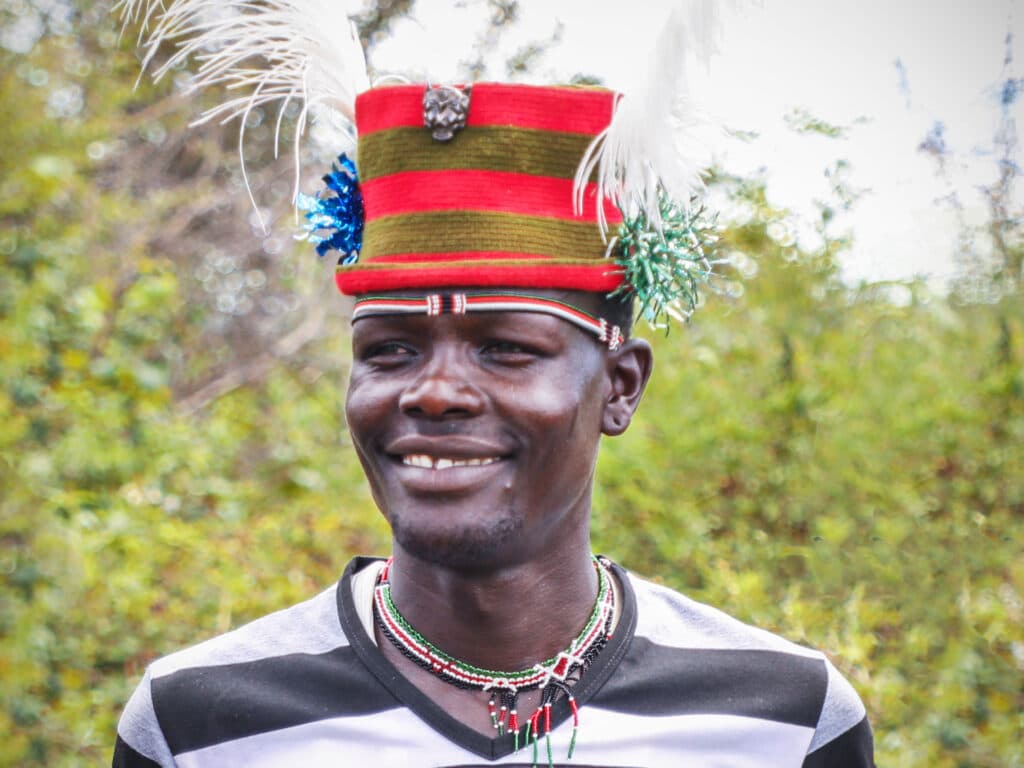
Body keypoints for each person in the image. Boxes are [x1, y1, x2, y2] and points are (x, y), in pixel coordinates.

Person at [112, 5, 874, 767]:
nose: (435, 393)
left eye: (506, 348)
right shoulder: (198, 724)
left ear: (620, 387)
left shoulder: (785, 721)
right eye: (390, 350)